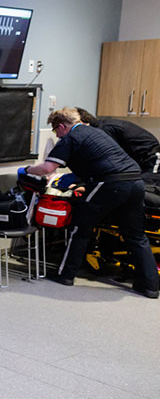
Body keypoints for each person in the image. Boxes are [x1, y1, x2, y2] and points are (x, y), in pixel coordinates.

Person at [21, 107, 158, 299]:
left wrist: (26, 169)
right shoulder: (96, 132)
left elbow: (47, 168)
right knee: (136, 236)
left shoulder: (70, 137)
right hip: (136, 182)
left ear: (61, 126)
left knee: (80, 228)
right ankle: (150, 286)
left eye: (56, 131)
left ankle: (65, 275)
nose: (57, 135)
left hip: (110, 183)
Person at [76, 108, 160, 206]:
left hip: (151, 158)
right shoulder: (101, 129)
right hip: (138, 161)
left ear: (81, 122)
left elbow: (106, 160)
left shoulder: (104, 130)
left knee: (145, 190)